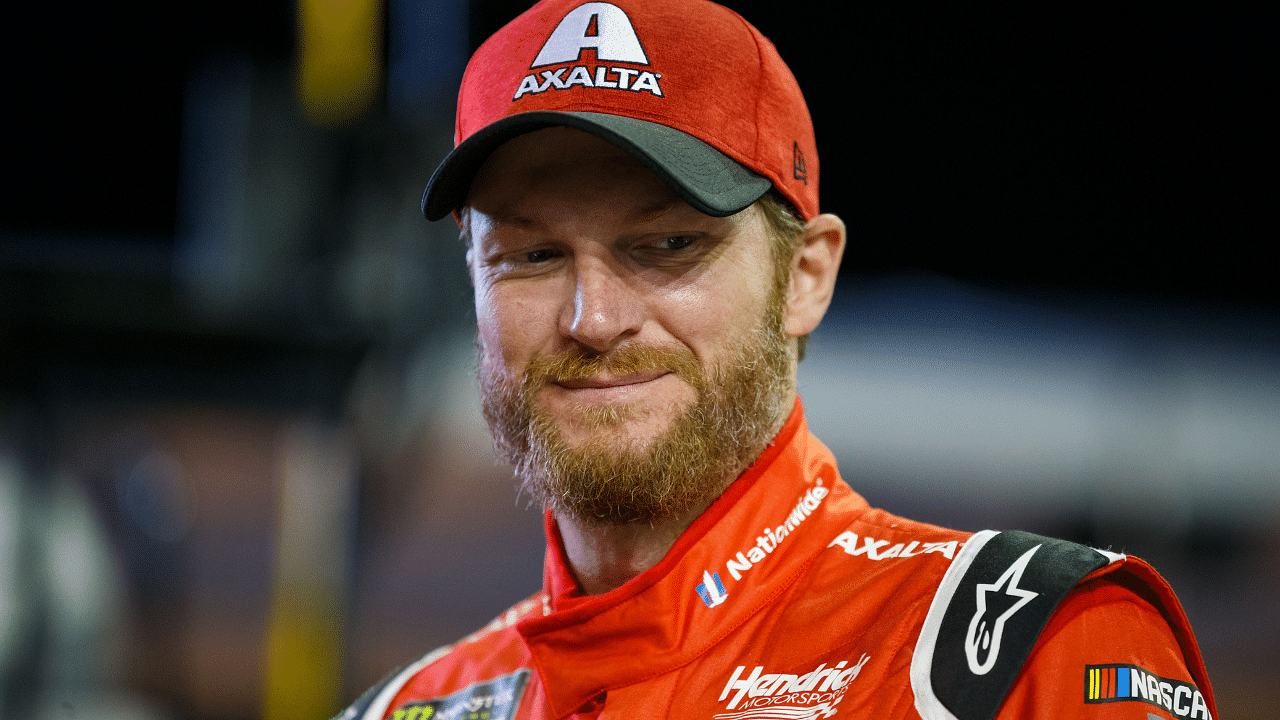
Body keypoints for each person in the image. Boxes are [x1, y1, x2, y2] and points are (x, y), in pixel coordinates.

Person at [338, 1, 1216, 718]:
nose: (593, 319)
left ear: (806, 276)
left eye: (667, 243)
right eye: (530, 256)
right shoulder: (406, 709)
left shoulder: (1031, 650)